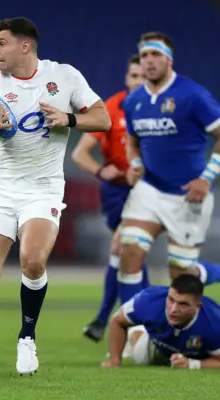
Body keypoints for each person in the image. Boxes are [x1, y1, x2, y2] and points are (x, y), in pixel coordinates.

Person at [0, 17, 111, 386]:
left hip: (43, 186)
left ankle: (27, 337)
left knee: (32, 260)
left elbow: (104, 118)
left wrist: (70, 118)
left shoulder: (63, 76)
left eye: (1, 43)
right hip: (0, 187)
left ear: (24, 46)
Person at [118, 31, 220, 312]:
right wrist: (136, 165)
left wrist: (206, 178)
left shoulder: (193, 95)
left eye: (156, 55)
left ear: (169, 60)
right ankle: (132, 329)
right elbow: (133, 142)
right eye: (144, 56)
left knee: (182, 275)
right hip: (150, 189)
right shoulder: (133, 102)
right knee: (129, 251)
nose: (149, 61)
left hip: (188, 194)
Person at [71, 54, 149, 342]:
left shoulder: (162, 109)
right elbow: (79, 154)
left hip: (150, 188)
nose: (139, 81)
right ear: (127, 79)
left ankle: (107, 319)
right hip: (119, 191)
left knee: (127, 250)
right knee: (129, 251)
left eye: (144, 76)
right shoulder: (113, 108)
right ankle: (136, 321)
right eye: (134, 76)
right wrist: (106, 172)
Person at [102, 274, 220, 369]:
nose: (173, 309)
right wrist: (114, 362)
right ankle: (139, 333)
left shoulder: (215, 323)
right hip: (163, 341)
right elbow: (117, 321)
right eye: (171, 299)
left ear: (198, 306)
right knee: (140, 359)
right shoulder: (148, 300)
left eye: (183, 304)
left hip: (203, 349)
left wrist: (192, 364)